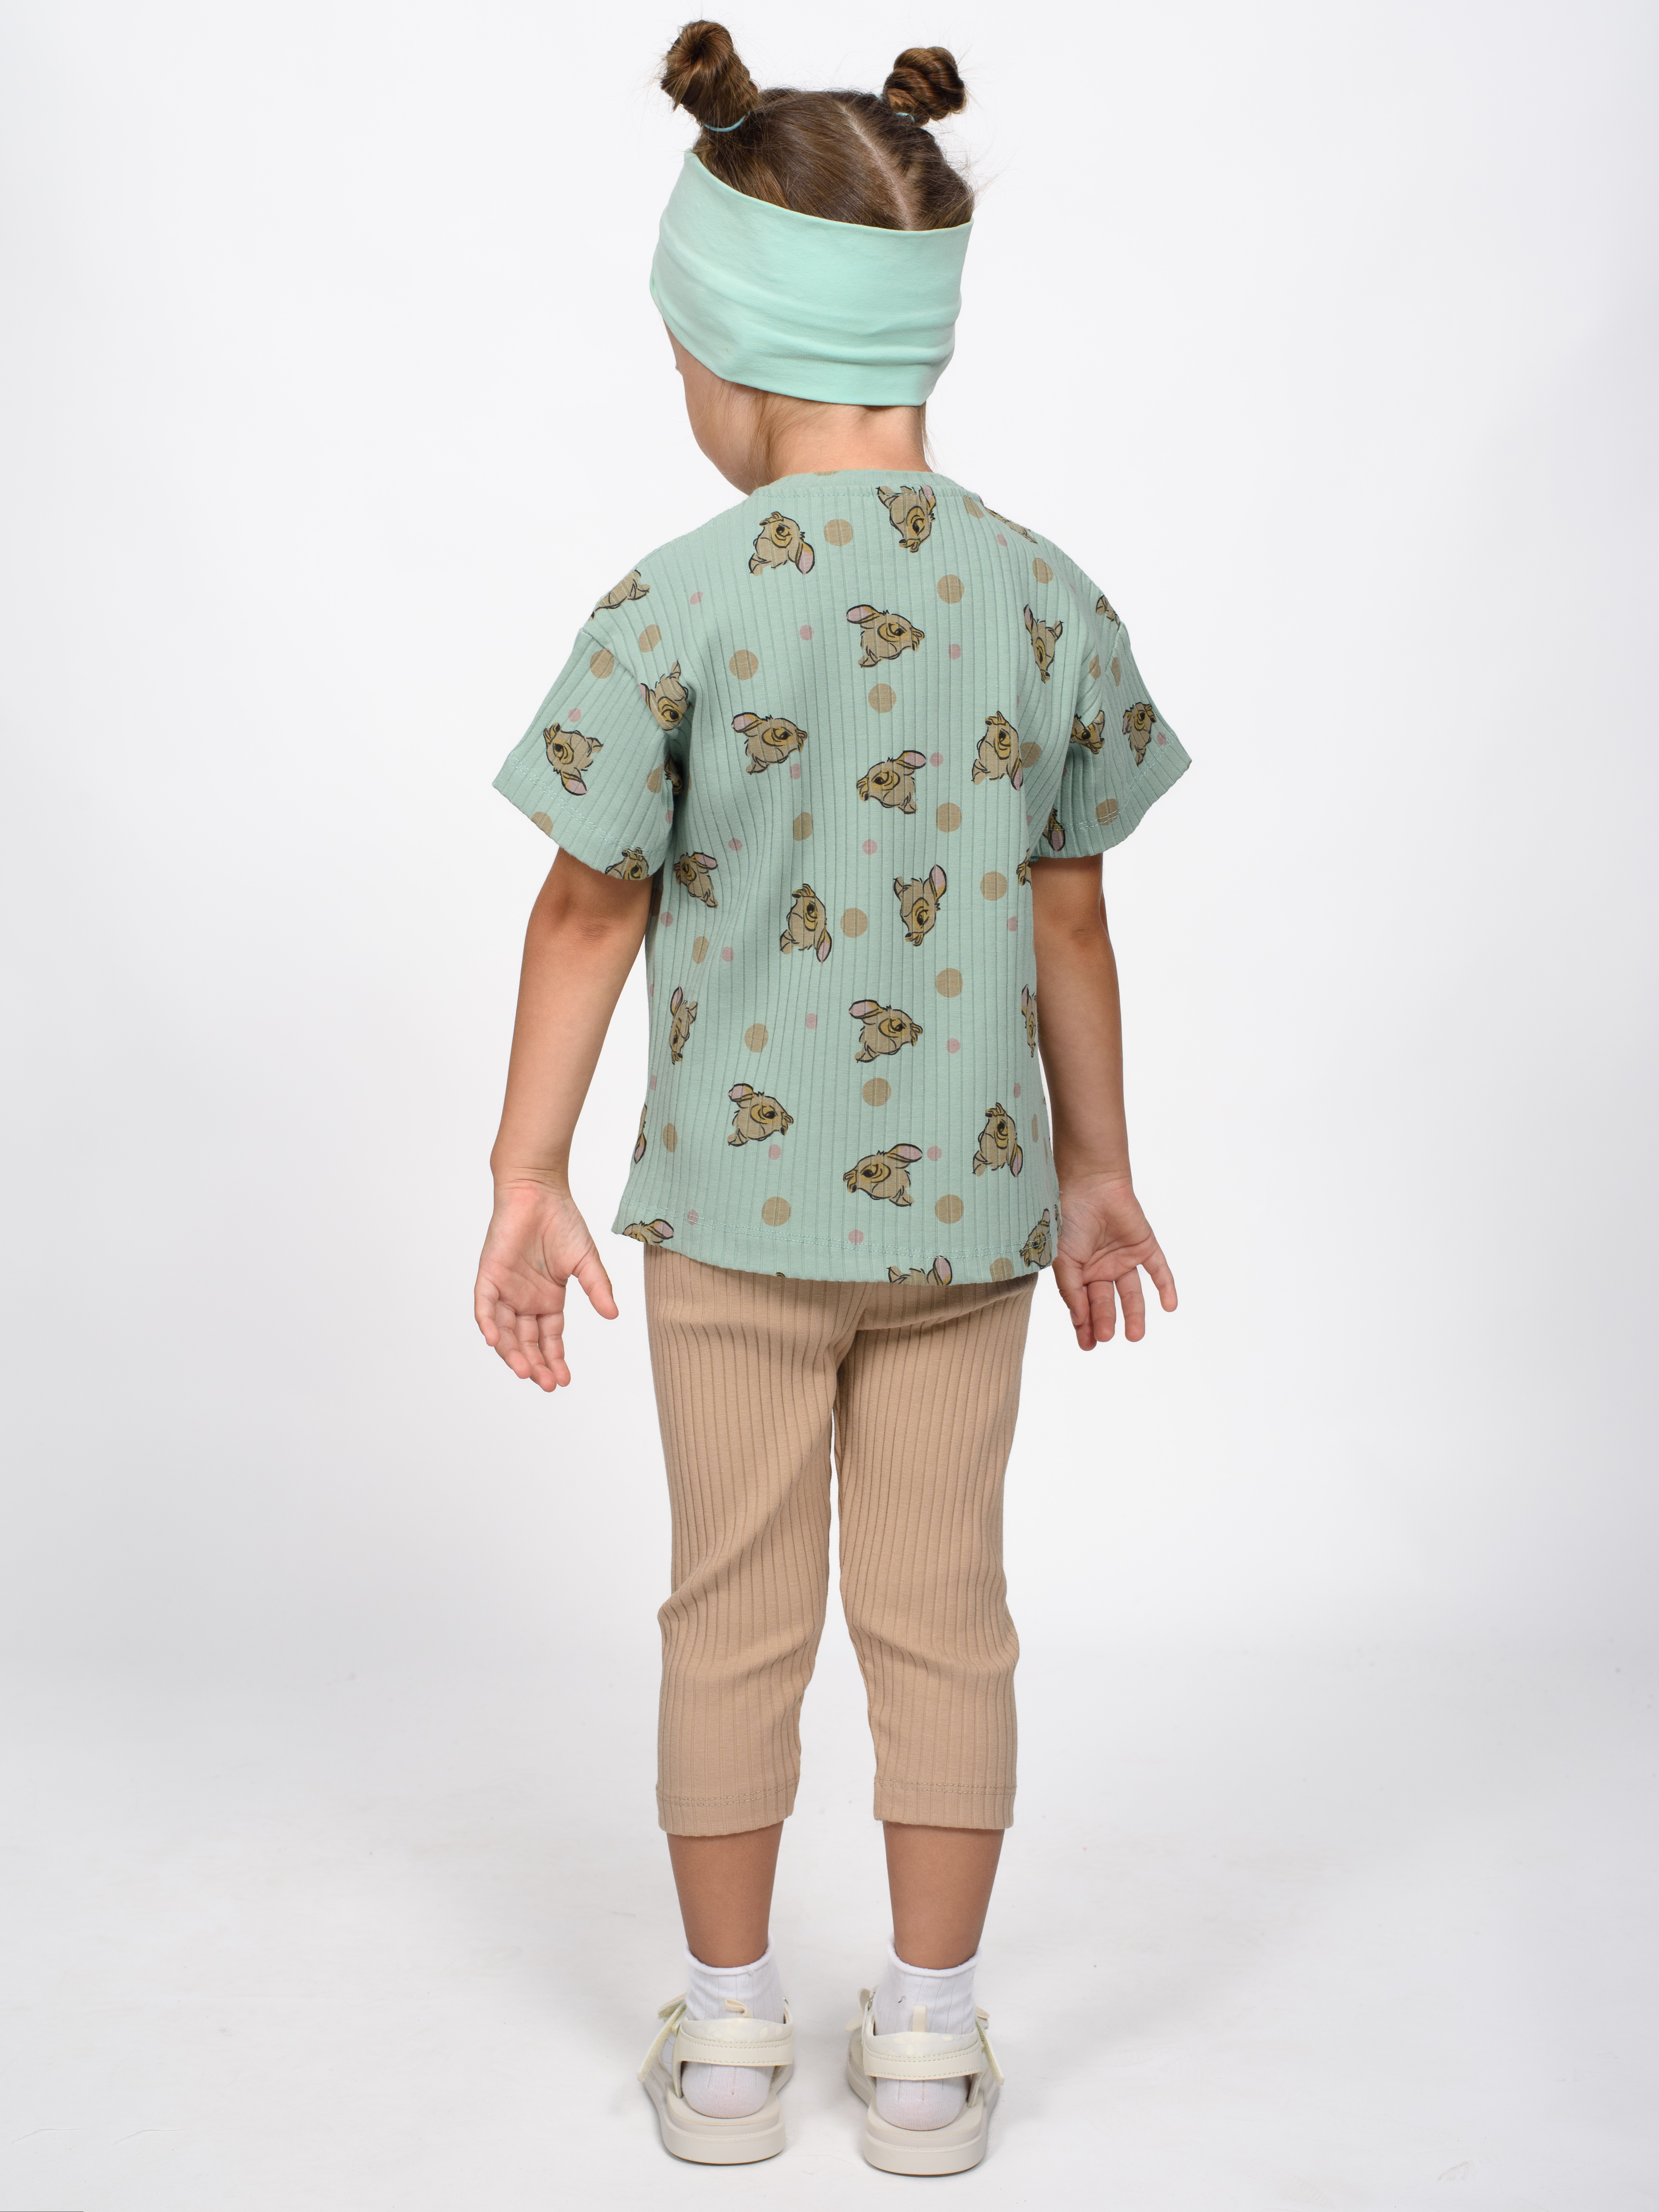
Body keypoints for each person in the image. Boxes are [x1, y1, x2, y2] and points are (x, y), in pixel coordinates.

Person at [473, 20, 1188, 2178]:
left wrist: (526, 1173)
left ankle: (724, 2043)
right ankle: (931, 2047)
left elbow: (588, 907)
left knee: (732, 1618)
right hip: (968, 1227)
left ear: (725, 354)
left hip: (732, 1227)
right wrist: (1100, 1172)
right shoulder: (1044, 598)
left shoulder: (675, 607)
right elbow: (1074, 918)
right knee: (945, 1618)